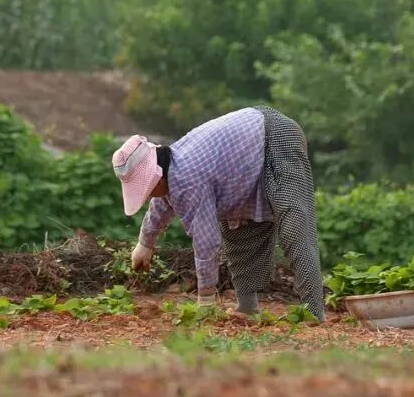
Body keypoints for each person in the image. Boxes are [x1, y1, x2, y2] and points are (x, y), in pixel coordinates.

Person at [111, 106, 326, 321]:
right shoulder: (170, 165)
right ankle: (248, 309)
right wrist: (145, 244)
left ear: (156, 177)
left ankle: (314, 313)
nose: (148, 194)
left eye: (147, 188)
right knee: (239, 230)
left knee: (294, 227)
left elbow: (206, 242)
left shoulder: (188, 179)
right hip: (246, 156)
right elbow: (162, 201)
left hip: (277, 135)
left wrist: (205, 298)